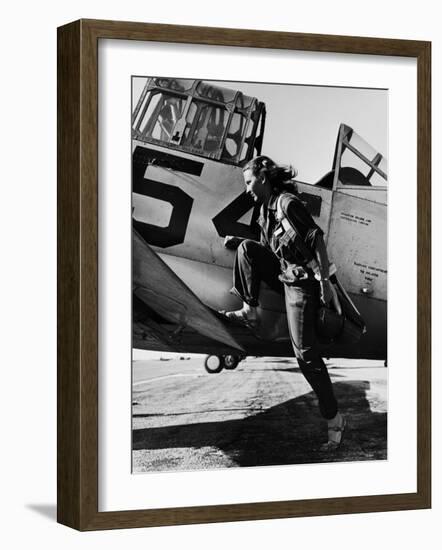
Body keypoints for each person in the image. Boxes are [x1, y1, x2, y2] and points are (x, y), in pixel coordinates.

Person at [222, 155, 345, 450]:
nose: (247, 189)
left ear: (263, 178)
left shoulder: (288, 203)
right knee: (247, 249)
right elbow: (268, 251)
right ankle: (250, 310)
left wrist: (325, 285)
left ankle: (334, 418)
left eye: (250, 182)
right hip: (283, 275)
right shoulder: (264, 212)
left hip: (303, 284)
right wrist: (238, 243)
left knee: (305, 355)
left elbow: (317, 239)